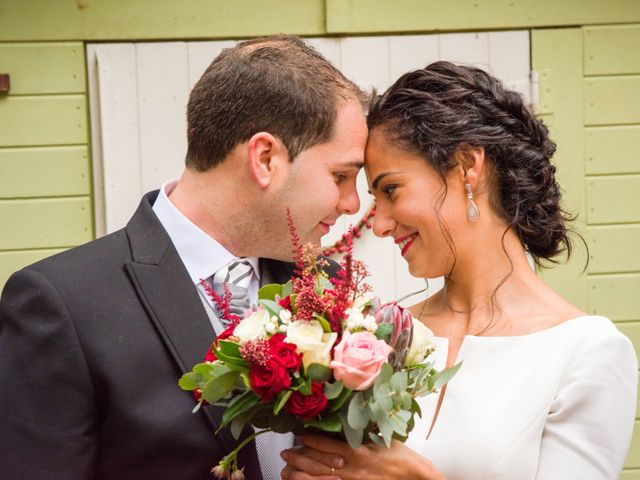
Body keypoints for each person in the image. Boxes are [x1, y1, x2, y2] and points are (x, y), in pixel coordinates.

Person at [0, 35, 368, 480]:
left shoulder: (326, 286)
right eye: (341, 175)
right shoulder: (63, 305)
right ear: (266, 157)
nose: (352, 203)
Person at [281, 61, 637, 479]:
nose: (378, 224)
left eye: (391, 190)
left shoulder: (586, 351)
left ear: (468, 165)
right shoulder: (379, 336)